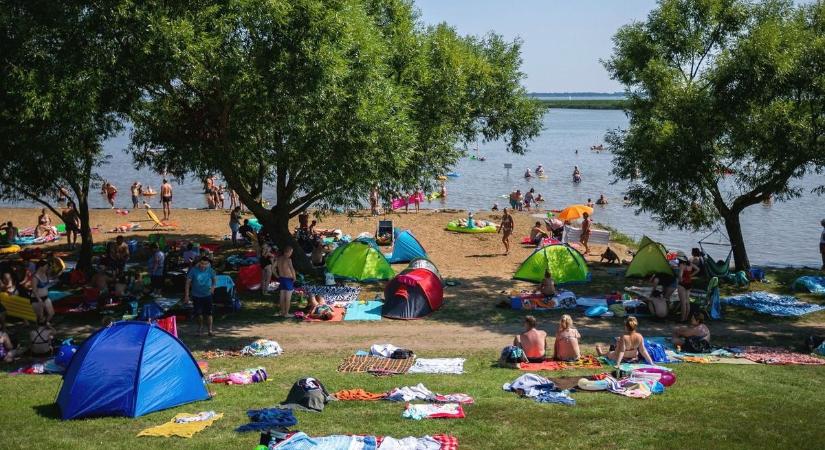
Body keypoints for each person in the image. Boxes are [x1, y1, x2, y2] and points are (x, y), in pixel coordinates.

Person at [184, 256, 217, 336]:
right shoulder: (193, 270)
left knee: (209, 314)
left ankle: (210, 330)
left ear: (208, 264)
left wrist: (213, 287)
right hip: (196, 296)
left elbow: (214, 280)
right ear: (199, 263)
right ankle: (200, 328)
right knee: (199, 314)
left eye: (205, 264)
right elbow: (188, 283)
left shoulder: (211, 271)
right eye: (202, 263)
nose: (203, 266)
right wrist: (187, 295)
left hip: (207, 295)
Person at [31, 260, 54, 325]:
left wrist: (49, 272)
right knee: (40, 318)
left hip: (46, 297)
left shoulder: (45, 274)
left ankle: (44, 326)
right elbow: (34, 290)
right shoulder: (35, 277)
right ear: (41, 267)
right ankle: (41, 329)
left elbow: (49, 281)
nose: (47, 268)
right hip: (37, 299)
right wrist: (39, 300)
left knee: (51, 313)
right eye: (46, 266)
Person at [676, 256, 700, 322]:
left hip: (682, 284)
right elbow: (698, 269)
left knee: (683, 303)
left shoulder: (682, 265)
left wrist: (679, 280)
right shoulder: (690, 264)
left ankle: (682, 319)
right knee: (687, 302)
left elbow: (680, 276)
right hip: (689, 283)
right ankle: (686, 318)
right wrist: (691, 275)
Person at [276, 246, 296, 318]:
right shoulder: (288, 259)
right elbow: (292, 269)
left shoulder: (279, 258)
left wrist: (276, 275)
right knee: (288, 298)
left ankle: (282, 311)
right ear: (288, 252)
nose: (291, 254)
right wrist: (294, 277)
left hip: (281, 278)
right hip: (288, 279)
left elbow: (272, 268)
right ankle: (286, 313)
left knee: (282, 296)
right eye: (291, 252)